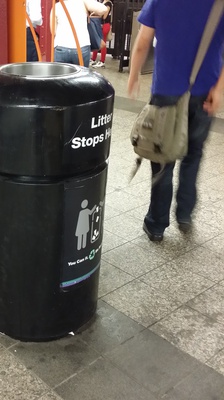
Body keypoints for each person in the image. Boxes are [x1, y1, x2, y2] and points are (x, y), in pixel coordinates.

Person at [127, 0, 224, 242]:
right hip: (205, 91)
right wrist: (219, 89)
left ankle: (157, 224)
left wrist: (133, 75)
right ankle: (185, 214)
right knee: (194, 153)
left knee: (162, 158)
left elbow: (142, 43)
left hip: (166, 92)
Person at [50, 0, 107, 67]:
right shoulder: (82, 2)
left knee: (62, 76)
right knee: (81, 76)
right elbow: (103, 9)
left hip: (61, 47)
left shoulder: (56, 7)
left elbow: (53, 31)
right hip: (81, 46)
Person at [89, 0, 113, 68]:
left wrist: (95, 14)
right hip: (100, 24)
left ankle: (102, 61)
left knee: (103, 43)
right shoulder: (102, 2)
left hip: (105, 25)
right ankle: (93, 59)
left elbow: (104, 16)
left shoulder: (108, 3)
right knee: (97, 41)